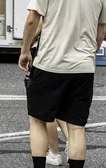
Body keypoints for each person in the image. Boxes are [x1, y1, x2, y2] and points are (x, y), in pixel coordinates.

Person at [19, 0, 106, 168]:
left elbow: (32, 20)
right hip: (82, 68)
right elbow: (102, 30)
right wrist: (91, 51)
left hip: (49, 63)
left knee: (38, 120)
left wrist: (26, 51)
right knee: (76, 126)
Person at [25, 19, 70, 166]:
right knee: (61, 109)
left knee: (45, 113)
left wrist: (26, 45)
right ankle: (71, 142)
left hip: (48, 58)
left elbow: (37, 24)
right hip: (70, 59)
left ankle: (55, 152)